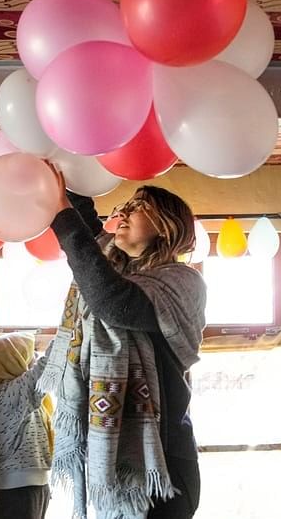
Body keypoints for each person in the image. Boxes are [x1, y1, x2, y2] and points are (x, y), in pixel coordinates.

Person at [38, 180, 207, 519]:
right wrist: (65, 171)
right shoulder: (116, 270)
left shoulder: (182, 281)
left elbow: (112, 301)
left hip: (165, 465)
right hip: (116, 463)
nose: (125, 211)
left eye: (140, 206)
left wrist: (61, 214)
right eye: (126, 205)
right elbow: (88, 237)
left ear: (166, 227)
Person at [0, 332, 54, 519]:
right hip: (18, 496)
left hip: (30, 492)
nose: (34, 360)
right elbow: (43, 371)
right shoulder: (3, 398)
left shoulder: (17, 397)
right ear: (10, 362)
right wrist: (68, 329)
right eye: (29, 356)